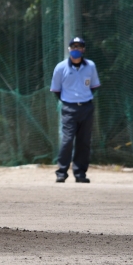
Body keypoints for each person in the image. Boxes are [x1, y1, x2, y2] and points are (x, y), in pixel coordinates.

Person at [50, 36, 101, 183]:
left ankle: (80, 174)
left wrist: (84, 99)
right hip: (69, 108)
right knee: (67, 140)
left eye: (79, 47)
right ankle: (61, 172)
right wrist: (68, 101)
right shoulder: (60, 67)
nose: (76, 49)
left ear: (83, 50)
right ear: (69, 49)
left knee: (84, 141)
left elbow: (94, 86)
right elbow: (56, 90)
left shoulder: (90, 66)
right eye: (73, 47)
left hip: (86, 108)